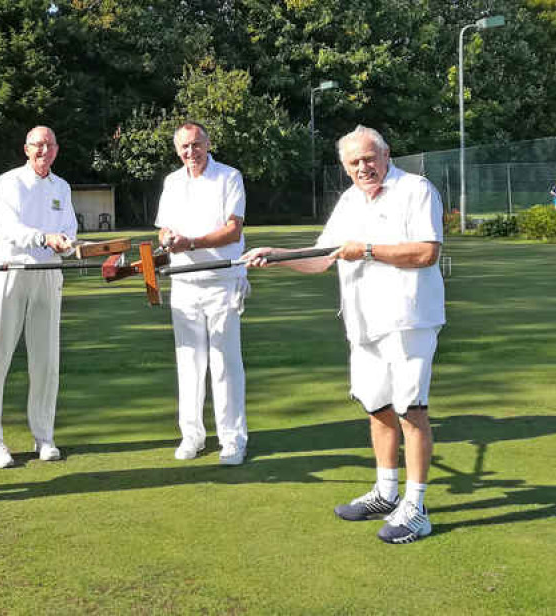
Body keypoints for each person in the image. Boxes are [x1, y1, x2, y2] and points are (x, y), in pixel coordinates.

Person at [244, 125, 445, 543]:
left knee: (411, 411)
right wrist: (276, 256)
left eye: (369, 158)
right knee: (377, 407)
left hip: (408, 319)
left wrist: (368, 250)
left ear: (386, 155)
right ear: (345, 167)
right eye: (354, 162)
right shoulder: (351, 200)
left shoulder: (416, 189)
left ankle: (417, 507)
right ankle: (387, 492)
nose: (363, 167)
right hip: (363, 322)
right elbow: (322, 258)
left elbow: (427, 252)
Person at [0, 126, 77, 469]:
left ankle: (44, 435)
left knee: (46, 360)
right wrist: (45, 238)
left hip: (48, 275)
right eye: (37, 145)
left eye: (49, 145)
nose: (43, 150)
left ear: (56, 150)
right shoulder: (9, 182)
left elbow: (70, 229)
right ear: (26, 149)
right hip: (10, 272)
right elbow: (9, 227)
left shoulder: (61, 187)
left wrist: (64, 241)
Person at [156, 121, 250, 466]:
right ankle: (192, 436)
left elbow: (232, 230)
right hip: (183, 281)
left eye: (196, 145)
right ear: (177, 150)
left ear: (208, 144)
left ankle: (232, 439)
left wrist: (191, 242)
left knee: (225, 362)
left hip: (223, 279)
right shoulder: (172, 181)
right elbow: (164, 227)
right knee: (189, 364)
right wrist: (167, 239)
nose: (190, 153)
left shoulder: (229, 176)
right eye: (184, 147)